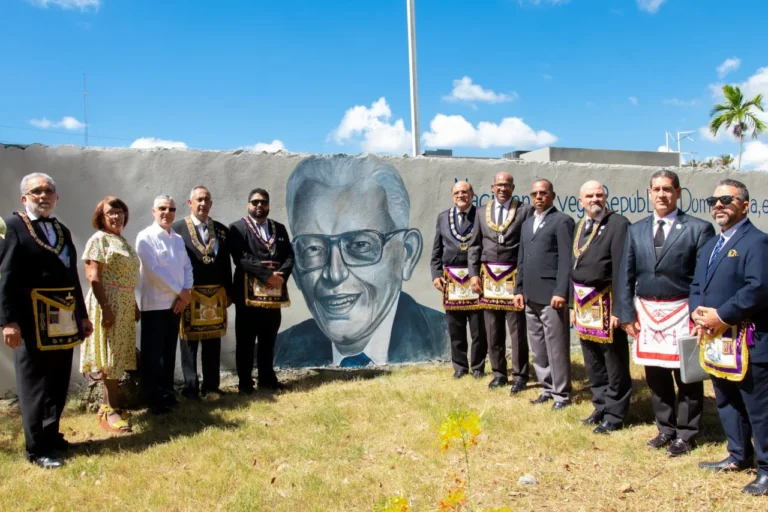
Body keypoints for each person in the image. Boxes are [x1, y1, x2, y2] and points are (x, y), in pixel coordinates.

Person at [275, 155, 448, 368]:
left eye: (359, 245)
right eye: (313, 248)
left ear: (406, 255)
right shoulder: (276, 352)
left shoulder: (449, 338)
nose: (334, 273)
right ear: (296, 272)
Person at [616, 170, 714, 456]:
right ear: (649, 193)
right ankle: (665, 428)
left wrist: (700, 314)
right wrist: (625, 313)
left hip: (683, 310)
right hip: (647, 311)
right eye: (656, 189)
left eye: (668, 189)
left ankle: (686, 433)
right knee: (655, 374)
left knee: (686, 375)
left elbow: (704, 278)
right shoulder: (636, 230)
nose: (662, 194)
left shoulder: (698, 228)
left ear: (679, 192)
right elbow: (626, 273)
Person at [0, 173, 93, 468]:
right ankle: (36, 448)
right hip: (30, 322)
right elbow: (4, 278)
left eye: (49, 191)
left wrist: (82, 315)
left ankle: (52, 435)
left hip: (63, 321)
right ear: (24, 198)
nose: (44, 195)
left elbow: (72, 277)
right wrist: (7, 321)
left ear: (57, 196)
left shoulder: (61, 229)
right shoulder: (10, 227)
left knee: (57, 382)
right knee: (35, 385)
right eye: (36, 191)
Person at [690, 179, 768, 496]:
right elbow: (697, 286)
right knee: (726, 399)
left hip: (750, 340)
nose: (719, 205)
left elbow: (758, 288)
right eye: (714, 199)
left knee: (758, 407)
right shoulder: (711, 245)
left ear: (745, 206)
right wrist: (698, 313)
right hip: (716, 341)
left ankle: (766, 469)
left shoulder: (757, 242)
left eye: (727, 199)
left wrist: (720, 316)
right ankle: (738, 455)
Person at [570, 180, 631, 434]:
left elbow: (621, 268)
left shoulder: (618, 224)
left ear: (605, 197)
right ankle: (600, 405)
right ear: (580, 200)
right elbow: (573, 266)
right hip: (583, 303)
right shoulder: (580, 224)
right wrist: (572, 305)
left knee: (613, 360)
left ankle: (615, 414)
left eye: (599, 195)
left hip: (606, 301)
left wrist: (620, 308)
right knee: (591, 359)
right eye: (589, 196)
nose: (595, 199)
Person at [468, 172, 534, 392]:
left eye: (507, 185)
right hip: (488, 279)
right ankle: (498, 373)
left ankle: (520, 375)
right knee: (492, 329)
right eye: (499, 185)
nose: (503, 188)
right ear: (492, 187)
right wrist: (473, 273)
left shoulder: (524, 211)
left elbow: (528, 245)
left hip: (513, 277)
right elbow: (475, 245)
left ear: (513, 187)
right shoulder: (480, 212)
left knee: (517, 331)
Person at [80, 197, 141, 433]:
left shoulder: (122, 241)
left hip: (124, 303)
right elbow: (93, 277)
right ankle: (109, 410)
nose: (116, 217)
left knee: (118, 356)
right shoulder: (99, 239)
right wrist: (106, 307)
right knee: (110, 357)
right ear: (101, 217)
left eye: (119, 212)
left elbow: (128, 277)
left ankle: (111, 405)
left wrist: (133, 304)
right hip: (108, 302)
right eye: (110, 213)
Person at [513, 179, 574, 409]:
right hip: (530, 295)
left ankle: (561, 394)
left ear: (553, 195)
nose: (539, 197)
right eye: (535, 194)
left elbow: (567, 260)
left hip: (551, 297)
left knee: (556, 347)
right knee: (538, 347)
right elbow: (521, 258)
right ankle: (547, 388)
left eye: (543, 193)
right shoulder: (527, 223)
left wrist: (561, 291)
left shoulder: (562, 221)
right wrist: (518, 289)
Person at [229, 187, 294, 392]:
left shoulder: (279, 228)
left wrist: (281, 276)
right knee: (246, 340)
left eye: (264, 202)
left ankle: (267, 378)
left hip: (274, 295)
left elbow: (289, 256)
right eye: (255, 202)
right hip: (248, 296)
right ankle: (245, 383)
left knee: (268, 338)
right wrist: (267, 276)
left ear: (268, 205)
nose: (259, 206)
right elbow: (240, 257)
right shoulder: (237, 228)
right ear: (248, 205)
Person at [135, 195, 193, 414]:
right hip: (155, 305)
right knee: (153, 356)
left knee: (169, 353)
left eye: (171, 209)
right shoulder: (145, 237)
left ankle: (168, 394)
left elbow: (187, 267)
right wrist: (182, 292)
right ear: (153, 211)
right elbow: (155, 271)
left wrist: (186, 293)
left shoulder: (177, 239)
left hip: (176, 305)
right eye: (162, 208)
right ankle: (154, 399)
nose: (167, 212)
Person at [173, 186, 232, 399]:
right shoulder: (177, 229)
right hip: (190, 295)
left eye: (206, 200)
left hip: (216, 295)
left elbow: (226, 263)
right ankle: (190, 388)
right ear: (190, 203)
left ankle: (211, 386)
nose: (202, 204)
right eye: (198, 200)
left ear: (211, 204)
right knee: (189, 344)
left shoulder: (222, 230)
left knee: (213, 343)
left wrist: (230, 291)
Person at [430, 181, 487, 379]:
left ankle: (478, 367)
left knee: (479, 328)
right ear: (452, 196)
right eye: (457, 192)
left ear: (472, 194)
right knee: (455, 327)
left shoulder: (481, 214)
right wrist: (436, 274)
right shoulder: (443, 217)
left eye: (465, 192)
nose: (461, 195)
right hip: (451, 279)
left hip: (476, 278)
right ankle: (460, 367)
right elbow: (437, 249)